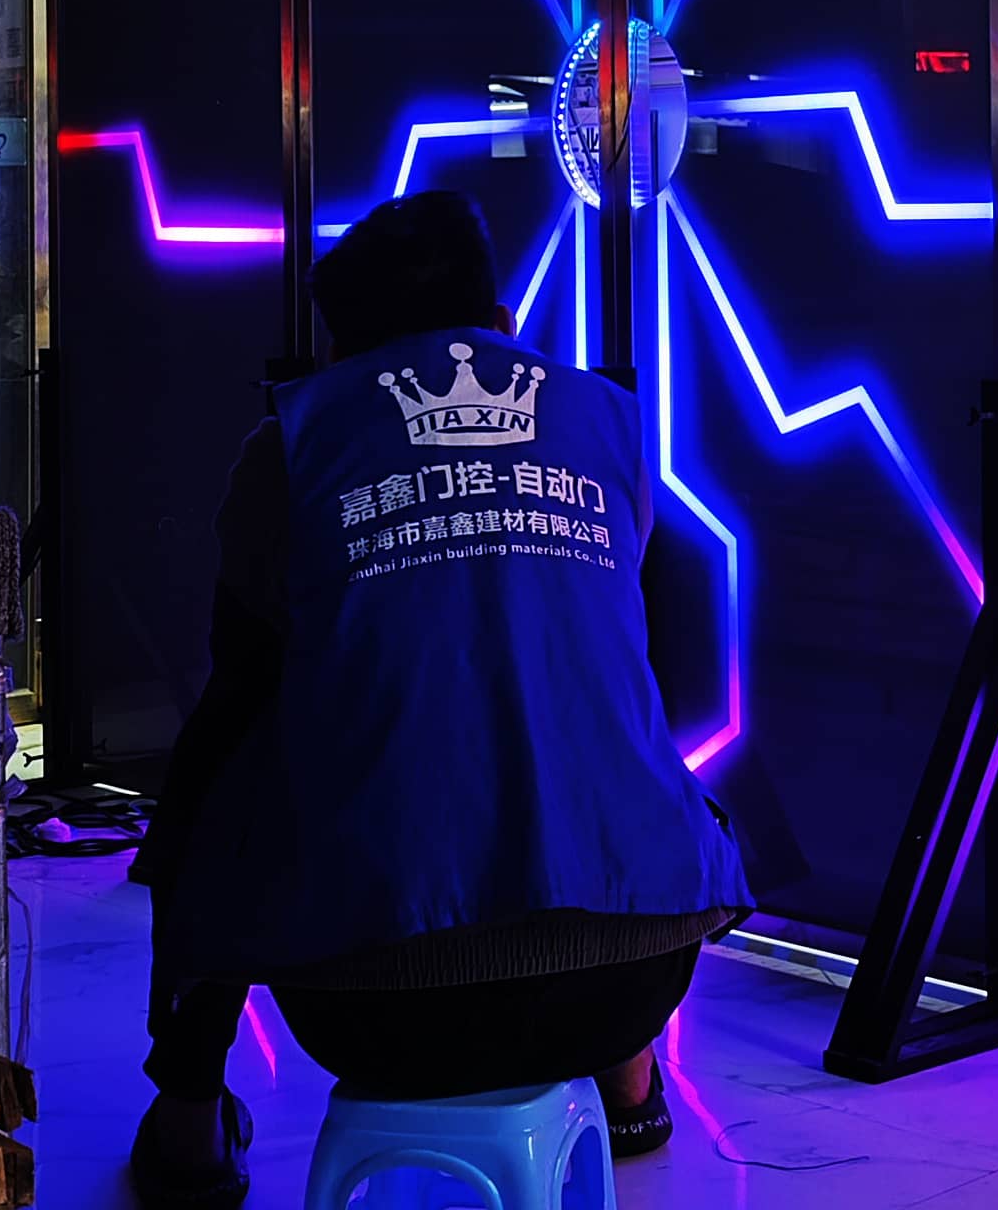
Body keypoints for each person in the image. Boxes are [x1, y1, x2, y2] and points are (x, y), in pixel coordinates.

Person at [128, 190, 750, 1209]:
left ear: (340, 351)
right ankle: (633, 1092)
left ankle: (189, 1119)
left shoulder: (292, 445)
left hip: (377, 1002)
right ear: (499, 320)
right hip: (633, 980)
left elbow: (237, 691)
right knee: (597, 702)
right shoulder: (610, 425)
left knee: (223, 762)